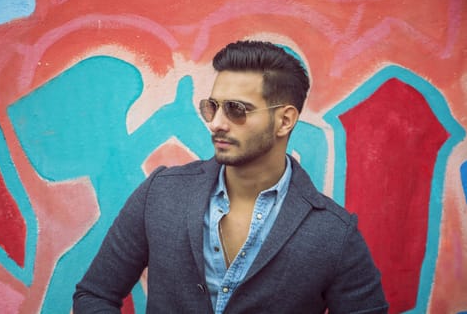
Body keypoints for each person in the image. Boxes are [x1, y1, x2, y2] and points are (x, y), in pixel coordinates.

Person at [73, 40, 388, 313]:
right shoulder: (161, 193)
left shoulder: (334, 234)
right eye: (213, 107)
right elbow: (95, 294)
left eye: (237, 109)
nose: (216, 124)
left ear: (285, 120)